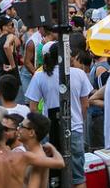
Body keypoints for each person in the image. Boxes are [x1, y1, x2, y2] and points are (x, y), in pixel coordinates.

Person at [26, 45, 91, 188]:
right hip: (75, 130)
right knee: (78, 178)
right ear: (67, 56)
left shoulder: (40, 75)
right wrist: (79, 120)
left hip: (49, 132)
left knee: (51, 178)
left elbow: (33, 108)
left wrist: (40, 130)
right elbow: (85, 105)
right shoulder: (79, 74)